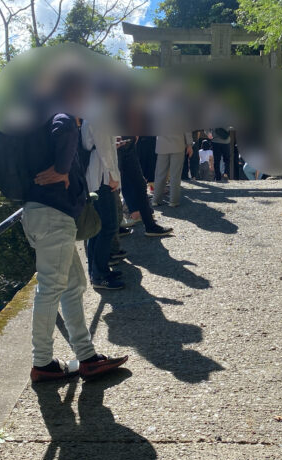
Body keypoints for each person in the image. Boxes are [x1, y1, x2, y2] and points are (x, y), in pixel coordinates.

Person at [23, 106, 128, 383]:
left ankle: (86, 357)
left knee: (74, 285)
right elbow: (64, 127)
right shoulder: (62, 117)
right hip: (52, 217)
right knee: (50, 288)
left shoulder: (40, 121)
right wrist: (62, 168)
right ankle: (42, 362)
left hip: (46, 215)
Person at [81, 119, 126, 290]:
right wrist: (114, 176)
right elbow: (104, 150)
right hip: (101, 178)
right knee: (108, 226)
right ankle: (99, 274)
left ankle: (98, 271)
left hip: (97, 177)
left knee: (97, 229)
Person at [118, 136, 174, 236]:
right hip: (120, 143)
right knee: (136, 185)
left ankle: (148, 224)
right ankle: (149, 225)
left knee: (136, 184)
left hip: (123, 142)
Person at [152, 132, 193, 207]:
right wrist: (189, 144)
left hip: (162, 145)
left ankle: (156, 200)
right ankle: (173, 201)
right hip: (178, 144)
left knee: (160, 175)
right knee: (175, 175)